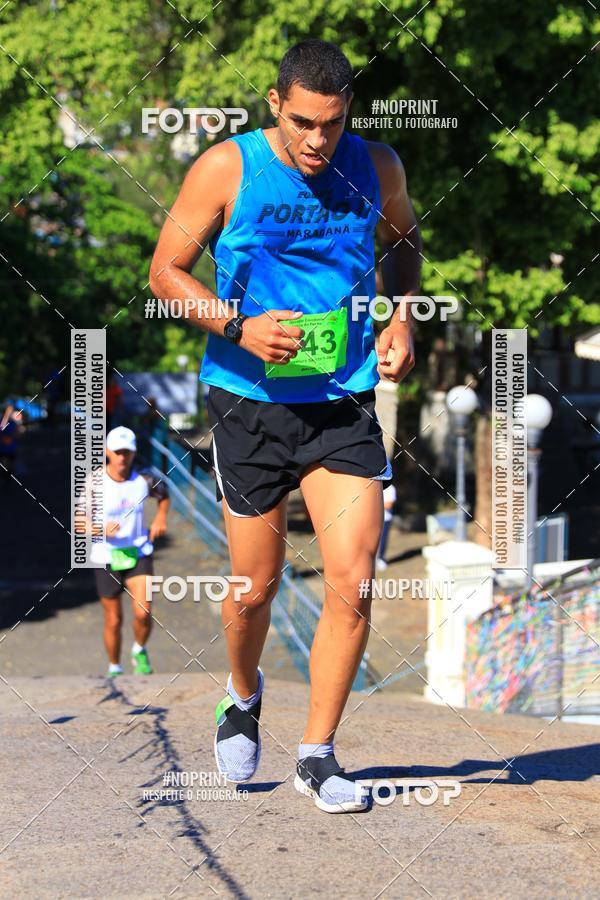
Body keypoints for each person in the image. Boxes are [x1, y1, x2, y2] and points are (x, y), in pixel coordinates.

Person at [149, 39, 421, 812]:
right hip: (249, 402)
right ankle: (242, 695)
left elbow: (404, 241)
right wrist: (239, 327)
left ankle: (318, 755)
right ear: (276, 104)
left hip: (342, 401)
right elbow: (165, 272)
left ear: (348, 113)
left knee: (354, 579)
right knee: (253, 590)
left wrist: (402, 318)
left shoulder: (378, 165)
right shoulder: (226, 167)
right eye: (302, 122)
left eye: (331, 124)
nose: (316, 140)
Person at [86, 426, 170, 677]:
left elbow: (164, 494)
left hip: (138, 552)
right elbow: (79, 521)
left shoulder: (144, 479)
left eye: (127, 452)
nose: (122, 457)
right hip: (106, 556)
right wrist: (100, 529)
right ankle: (115, 667)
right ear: (107, 452)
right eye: (118, 451)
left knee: (143, 612)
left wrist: (160, 518)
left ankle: (139, 649)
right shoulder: (94, 482)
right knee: (114, 619)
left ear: (134, 453)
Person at [376, 474, 397, 571]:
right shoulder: (376, 487)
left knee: (383, 540)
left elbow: (389, 505)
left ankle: (381, 559)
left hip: (385, 518)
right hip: (375, 518)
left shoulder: (391, 489)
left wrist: (374, 503)